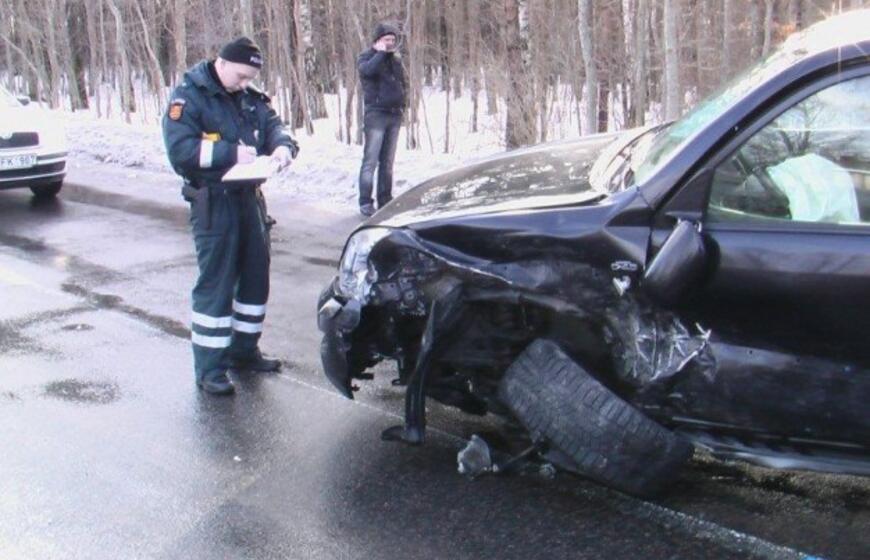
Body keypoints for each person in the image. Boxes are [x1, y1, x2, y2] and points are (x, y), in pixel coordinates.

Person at [162, 37, 298, 395]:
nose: (244, 84)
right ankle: (210, 369)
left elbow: (274, 126)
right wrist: (228, 154)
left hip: (249, 198)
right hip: (214, 199)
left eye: (249, 78)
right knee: (217, 284)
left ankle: (244, 351)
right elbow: (180, 151)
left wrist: (283, 148)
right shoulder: (189, 97)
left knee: (255, 277)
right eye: (240, 76)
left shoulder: (248, 97)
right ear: (221, 63)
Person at [357, 22, 407, 217]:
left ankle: (385, 199)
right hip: (376, 115)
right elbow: (367, 72)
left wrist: (404, 103)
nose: (390, 44)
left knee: (387, 161)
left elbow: (402, 82)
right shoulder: (366, 57)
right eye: (387, 40)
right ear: (378, 40)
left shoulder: (395, 59)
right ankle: (365, 201)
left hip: (394, 114)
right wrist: (379, 53)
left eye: (393, 40)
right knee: (370, 161)